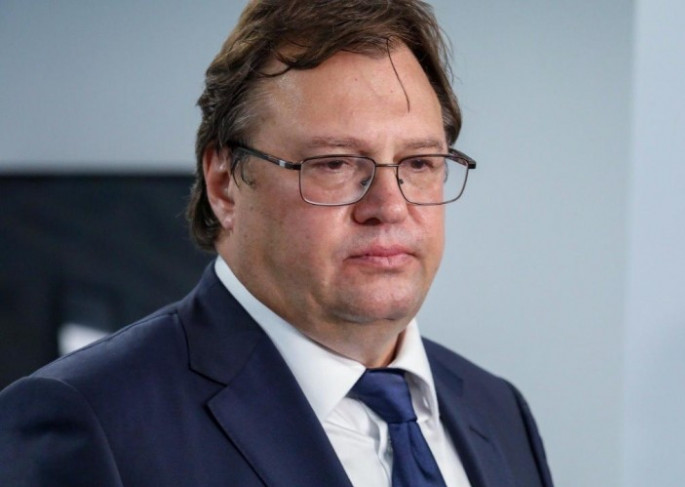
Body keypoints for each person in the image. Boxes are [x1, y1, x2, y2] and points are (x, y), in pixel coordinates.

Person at [0, 1, 554, 486]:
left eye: (419, 163)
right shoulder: (90, 418)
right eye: (334, 164)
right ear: (225, 185)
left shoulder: (499, 412)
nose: (389, 206)